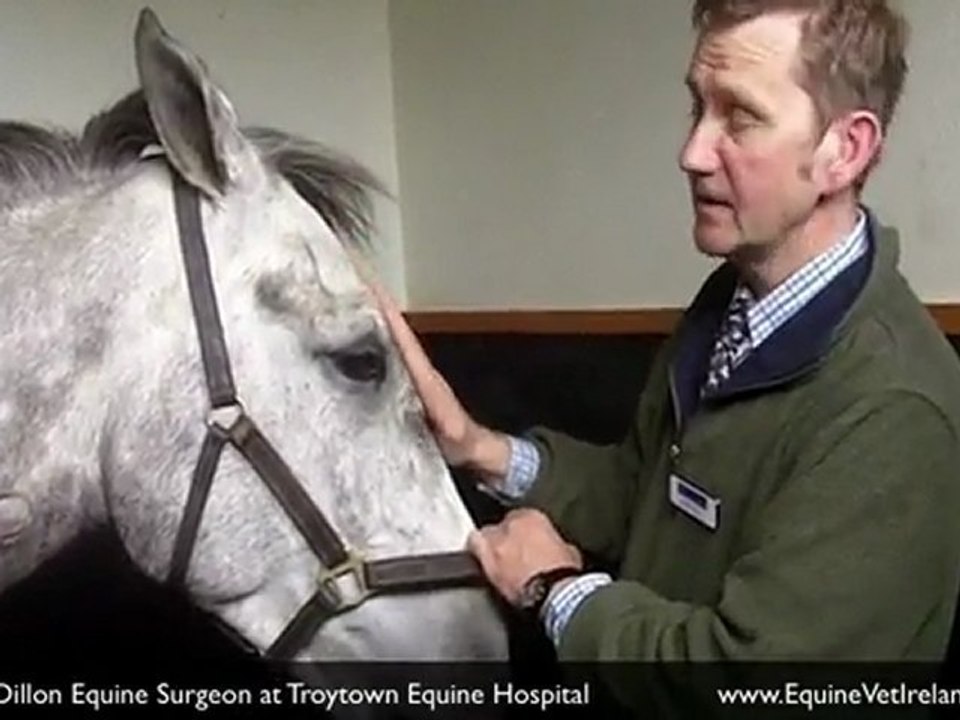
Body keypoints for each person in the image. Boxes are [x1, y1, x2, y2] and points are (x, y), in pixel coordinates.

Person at [369, 0, 960, 708]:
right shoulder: (729, 303)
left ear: (846, 150)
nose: (692, 153)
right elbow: (641, 495)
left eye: (739, 117)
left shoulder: (894, 411)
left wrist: (555, 589)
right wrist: (481, 448)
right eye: (697, 109)